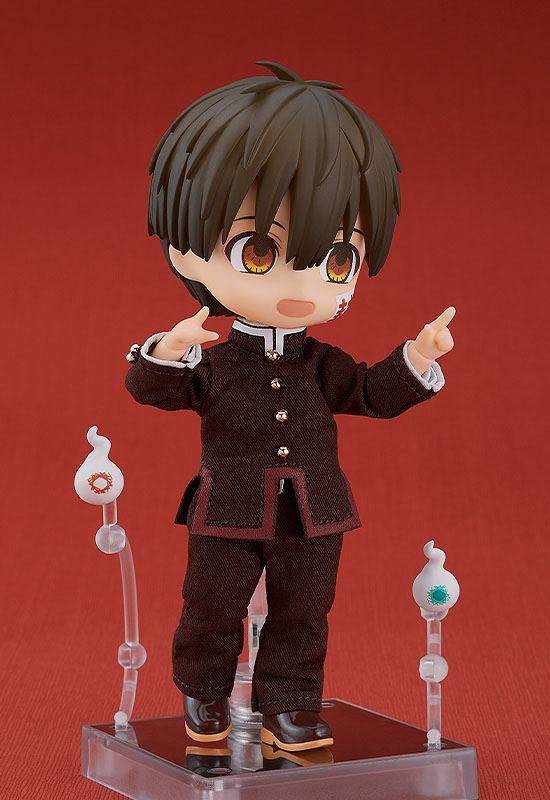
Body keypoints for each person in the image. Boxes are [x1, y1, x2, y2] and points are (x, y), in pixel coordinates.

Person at [126, 61, 455, 751]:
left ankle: (291, 705)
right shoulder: (215, 363)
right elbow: (154, 390)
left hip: (315, 511)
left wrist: (417, 358)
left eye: (337, 261)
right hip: (228, 508)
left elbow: (371, 393)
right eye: (258, 251)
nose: (305, 286)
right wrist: (169, 348)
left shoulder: (322, 364)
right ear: (187, 252)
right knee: (212, 605)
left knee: (305, 612)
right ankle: (204, 693)